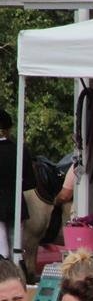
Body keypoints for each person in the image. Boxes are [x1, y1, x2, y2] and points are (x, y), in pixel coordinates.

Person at [0, 108, 36, 261]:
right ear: (7, 130)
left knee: (2, 250)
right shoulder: (21, 150)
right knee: (17, 249)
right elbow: (30, 182)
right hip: (17, 204)